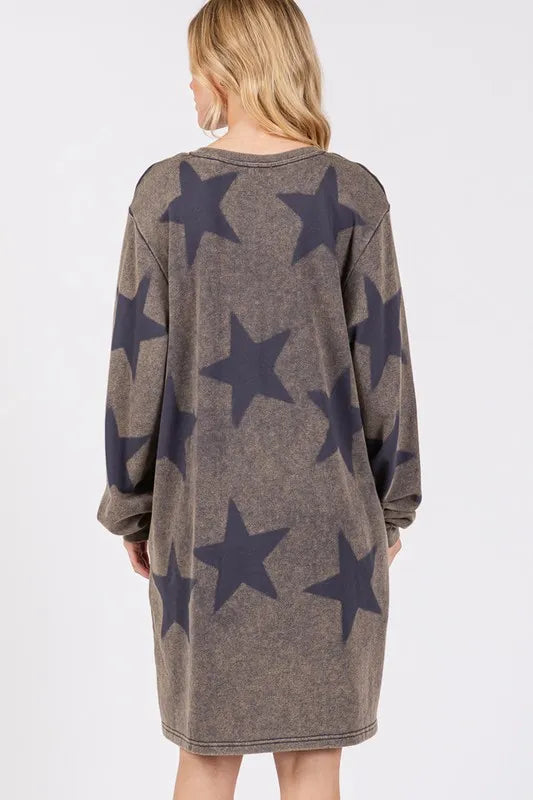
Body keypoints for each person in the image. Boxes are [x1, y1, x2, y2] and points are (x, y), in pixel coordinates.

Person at [96, 0, 422, 797]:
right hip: (332, 532)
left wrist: (132, 507)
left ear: (226, 68)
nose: (189, 85)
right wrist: (389, 509)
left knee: (205, 756)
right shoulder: (351, 194)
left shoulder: (165, 194)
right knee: (315, 763)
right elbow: (385, 367)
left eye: (194, 68)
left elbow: (136, 366)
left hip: (201, 522)